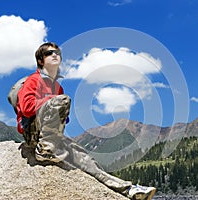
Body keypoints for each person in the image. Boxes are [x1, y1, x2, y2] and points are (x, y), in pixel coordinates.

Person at [16, 42, 156, 200]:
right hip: (33, 134)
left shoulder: (57, 87)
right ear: (41, 61)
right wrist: (53, 101)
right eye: (49, 53)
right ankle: (45, 151)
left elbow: (58, 116)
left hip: (51, 136)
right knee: (61, 100)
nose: (55, 55)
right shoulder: (33, 80)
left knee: (86, 160)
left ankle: (128, 189)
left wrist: (59, 113)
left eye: (57, 52)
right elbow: (27, 107)